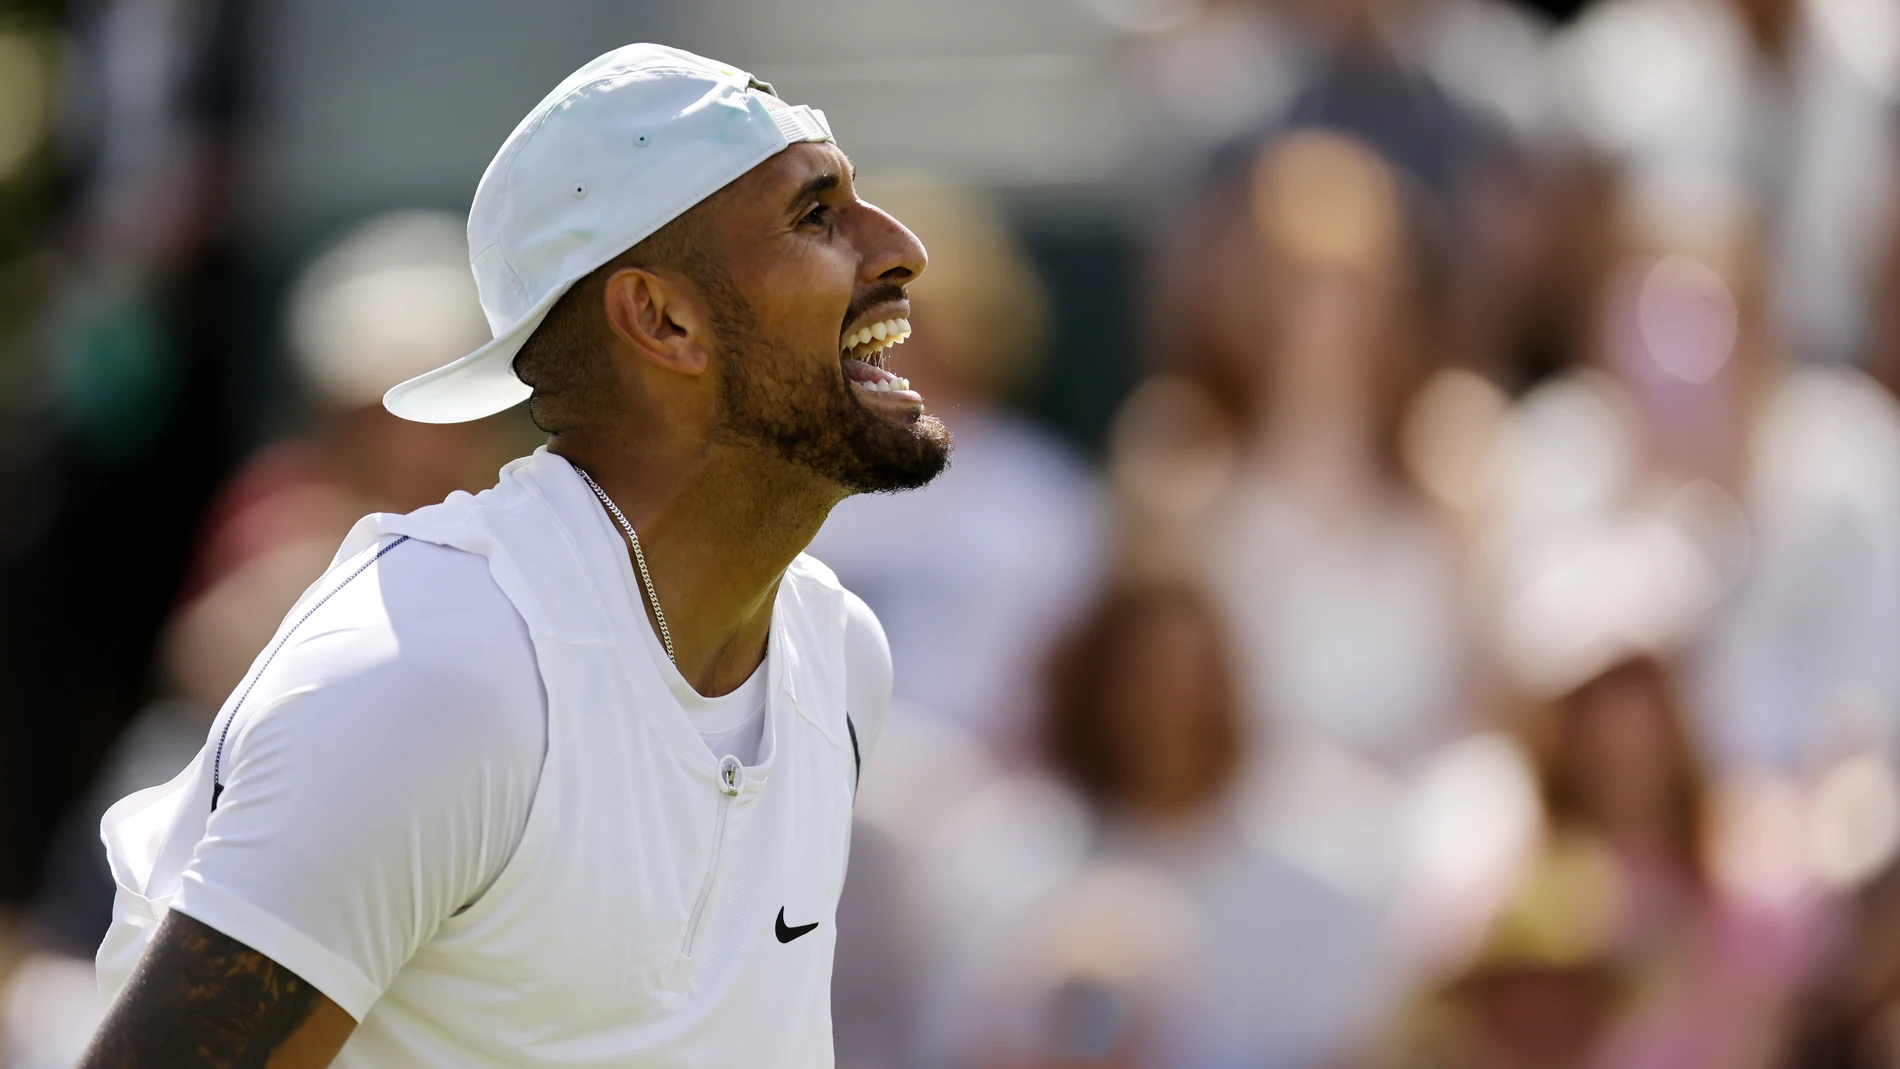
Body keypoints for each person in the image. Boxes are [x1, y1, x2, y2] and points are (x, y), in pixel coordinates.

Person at [79, 43, 947, 1068]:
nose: (901, 248)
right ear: (662, 319)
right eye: (817, 213)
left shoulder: (838, 658)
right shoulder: (435, 674)